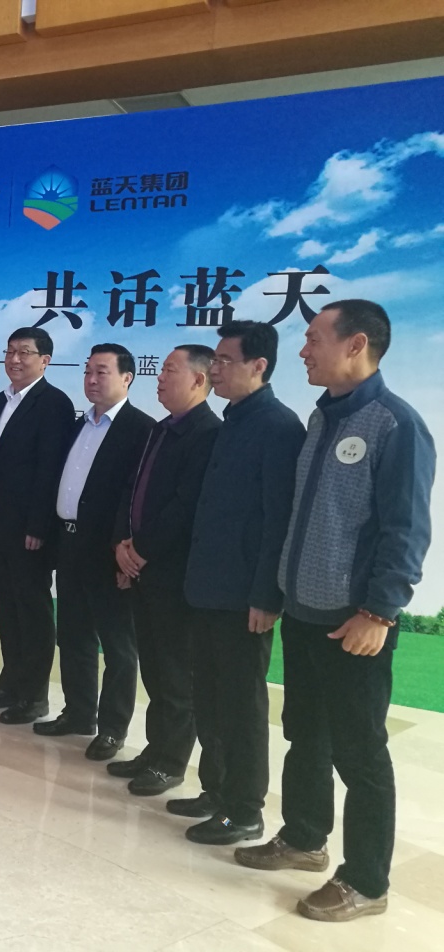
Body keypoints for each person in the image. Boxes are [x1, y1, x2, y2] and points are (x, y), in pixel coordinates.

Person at [235, 300, 435, 924]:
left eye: (314, 338)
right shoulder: (322, 418)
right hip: (305, 612)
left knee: (360, 753)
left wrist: (380, 611)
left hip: (356, 623)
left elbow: (406, 529)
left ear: (356, 345)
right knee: (305, 734)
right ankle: (303, 838)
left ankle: (367, 882)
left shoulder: (395, 424)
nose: (303, 350)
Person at [179, 321, 304, 844]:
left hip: (243, 598)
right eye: (214, 360)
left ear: (259, 365)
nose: (216, 369)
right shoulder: (233, 420)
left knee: (241, 705)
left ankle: (245, 809)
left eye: (225, 360)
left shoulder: (278, 426)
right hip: (208, 588)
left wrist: (266, 596)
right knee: (209, 698)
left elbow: (279, 520)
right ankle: (216, 790)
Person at [111, 345, 220, 796]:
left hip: (172, 573)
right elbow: (132, 490)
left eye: (169, 370)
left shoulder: (208, 433)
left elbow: (185, 506)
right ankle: (154, 750)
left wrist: (141, 549)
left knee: (175, 674)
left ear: (198, 379)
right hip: (141, 567)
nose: (159, 378)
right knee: (154, 669)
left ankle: (171, 762)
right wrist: (122, 544)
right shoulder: (161, 428)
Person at [36, 344, 153, 760]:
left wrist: (125, 551)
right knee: (73, 635)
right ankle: (78, 713)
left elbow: (136, 497)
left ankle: (112, 729)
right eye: (87, 371)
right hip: (69, 544)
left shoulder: (142, 429)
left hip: (109, 551)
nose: (91, 379)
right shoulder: (79, 424)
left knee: (118, 645)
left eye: (101, 372)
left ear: (127, 378)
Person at [0, 327, 74, 724]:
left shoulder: (55, 403)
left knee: (32, 613)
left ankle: (34, 696)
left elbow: (50, 470)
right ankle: (10, 686)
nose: (14, 359)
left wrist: (38, 526)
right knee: (6, 609)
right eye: (10, 351)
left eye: (24, 352)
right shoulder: (1, 400)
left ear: (45, 360)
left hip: (29, 531)